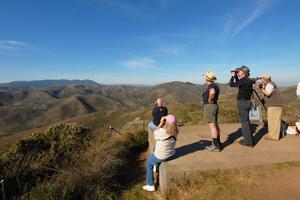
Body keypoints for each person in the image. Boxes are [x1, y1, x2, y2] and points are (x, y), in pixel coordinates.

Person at [143, 114, 178, 192]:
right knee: (156, 147)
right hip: (171, 153)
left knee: (148, 162)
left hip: (161, 156)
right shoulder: (176, 131)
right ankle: (156, 164)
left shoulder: (162, 132)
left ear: (166, 123)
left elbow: (154, 133)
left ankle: (150, 185)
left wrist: (160, 123)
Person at [229, 66, 255, 147]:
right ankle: (249, 140)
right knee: (246, 122)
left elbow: (232, 84)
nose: (238, 72)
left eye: (239, 71)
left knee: (244, 123)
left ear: (243, 73)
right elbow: (238, 84)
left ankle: (248, 142)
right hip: (247, 102)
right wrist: (236, 76)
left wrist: (232, 76)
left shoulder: (244, 80)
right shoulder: (248, 80)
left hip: (242, 103)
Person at [256, 74, 283, 141]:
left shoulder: (270, 84)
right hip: (275, 105)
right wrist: (262, 86)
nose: (261, 80)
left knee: (273, 121)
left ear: (265, 79)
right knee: (274, 120)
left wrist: (260, 88)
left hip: (274, 105)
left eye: (262, 79)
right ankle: (276, 134)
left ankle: (273, 136)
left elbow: (268, 93)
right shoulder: (269, 84)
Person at [202, 72, 221, 152]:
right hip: (214, 106)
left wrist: (210, 99)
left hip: (210, 107)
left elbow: (212, 92)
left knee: (212, 126)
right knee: (215, 125)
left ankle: (215, 146)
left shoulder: (211, 86)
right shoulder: (215, 85)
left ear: (207, 79)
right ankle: (218, 143)